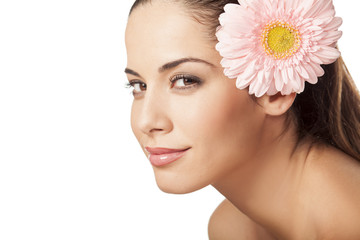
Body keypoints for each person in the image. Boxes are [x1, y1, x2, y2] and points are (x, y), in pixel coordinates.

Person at [124, 0, 360, 239]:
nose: (146, 121)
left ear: (275, 89)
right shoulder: (230, 227)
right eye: (138, 85)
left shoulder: (349, 224)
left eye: (185, 80)